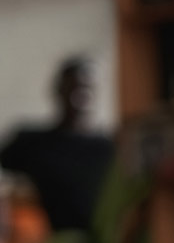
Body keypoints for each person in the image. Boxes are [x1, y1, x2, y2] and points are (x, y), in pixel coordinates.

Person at [0, 57, 113, 233]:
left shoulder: (109, 148)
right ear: (59, 90)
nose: (80, 95)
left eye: (87, 88)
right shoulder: (31, 143)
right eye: (73, 87)